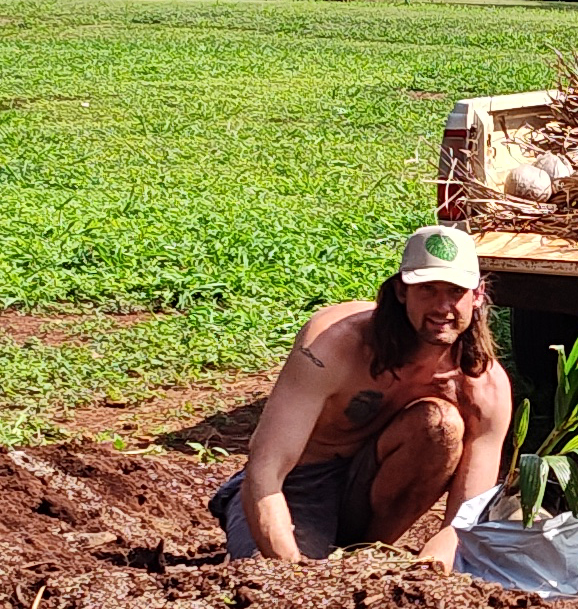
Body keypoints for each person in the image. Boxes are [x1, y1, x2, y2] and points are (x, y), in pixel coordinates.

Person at [209, 225, 512, 566]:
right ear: (401, 291)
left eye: (455, 291)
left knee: (441, 425)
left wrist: (430, 571)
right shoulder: (334, 345)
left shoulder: (485, 389)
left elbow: (463, 520)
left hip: (369, 495)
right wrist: (290, 574)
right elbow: (266, 470)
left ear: (477, 295)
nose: (442, 307)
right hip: (296, 487)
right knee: (268, 574)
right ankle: (310, 554)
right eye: (427, 289)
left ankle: (361, 556)